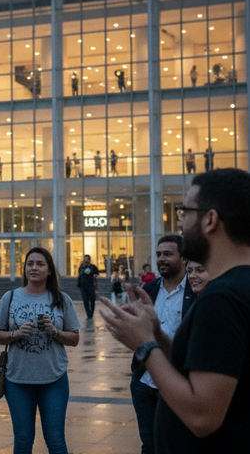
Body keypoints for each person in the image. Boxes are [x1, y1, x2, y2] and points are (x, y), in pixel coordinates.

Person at [100, 168, 250, 453]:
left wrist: (144, 345)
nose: (181, 222)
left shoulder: (222, 299)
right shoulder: (235, 287)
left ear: (210, 220)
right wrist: (156, 332)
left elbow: (202, 416)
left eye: (185, 212)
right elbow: (203, 367)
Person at [0, 247, 80, 454]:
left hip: (54, 379)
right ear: (24, 269)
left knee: (56, 441)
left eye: (40, 264)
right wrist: (15, 334)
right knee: (22, 441)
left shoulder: (62, 299)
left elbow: (75, 338)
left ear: (50, 270)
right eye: (30, 264)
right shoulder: (10, 297)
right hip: (17, 380)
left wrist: (54, 331)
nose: (34, 268)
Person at [128, 235, 195, 454]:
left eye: (168, 254)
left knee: (176, 446)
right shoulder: (149, 289)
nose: (161, 259)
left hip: (178, 384)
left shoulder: (196, 291)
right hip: (144, 382)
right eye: (158, 254)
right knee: (149, 445)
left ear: (184, 258)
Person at [77, 255, 99, 320]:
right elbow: (79, 274)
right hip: (83, 286)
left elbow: (97, 273)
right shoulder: (81, 267)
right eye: (84, 259)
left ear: (89, 260)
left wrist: (94, 277)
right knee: (85, 300)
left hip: (91, 286)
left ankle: (91, 314)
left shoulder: (93, 267)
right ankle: (88, 315)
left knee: (92, 299)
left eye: (87, 259)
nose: (85, 260)